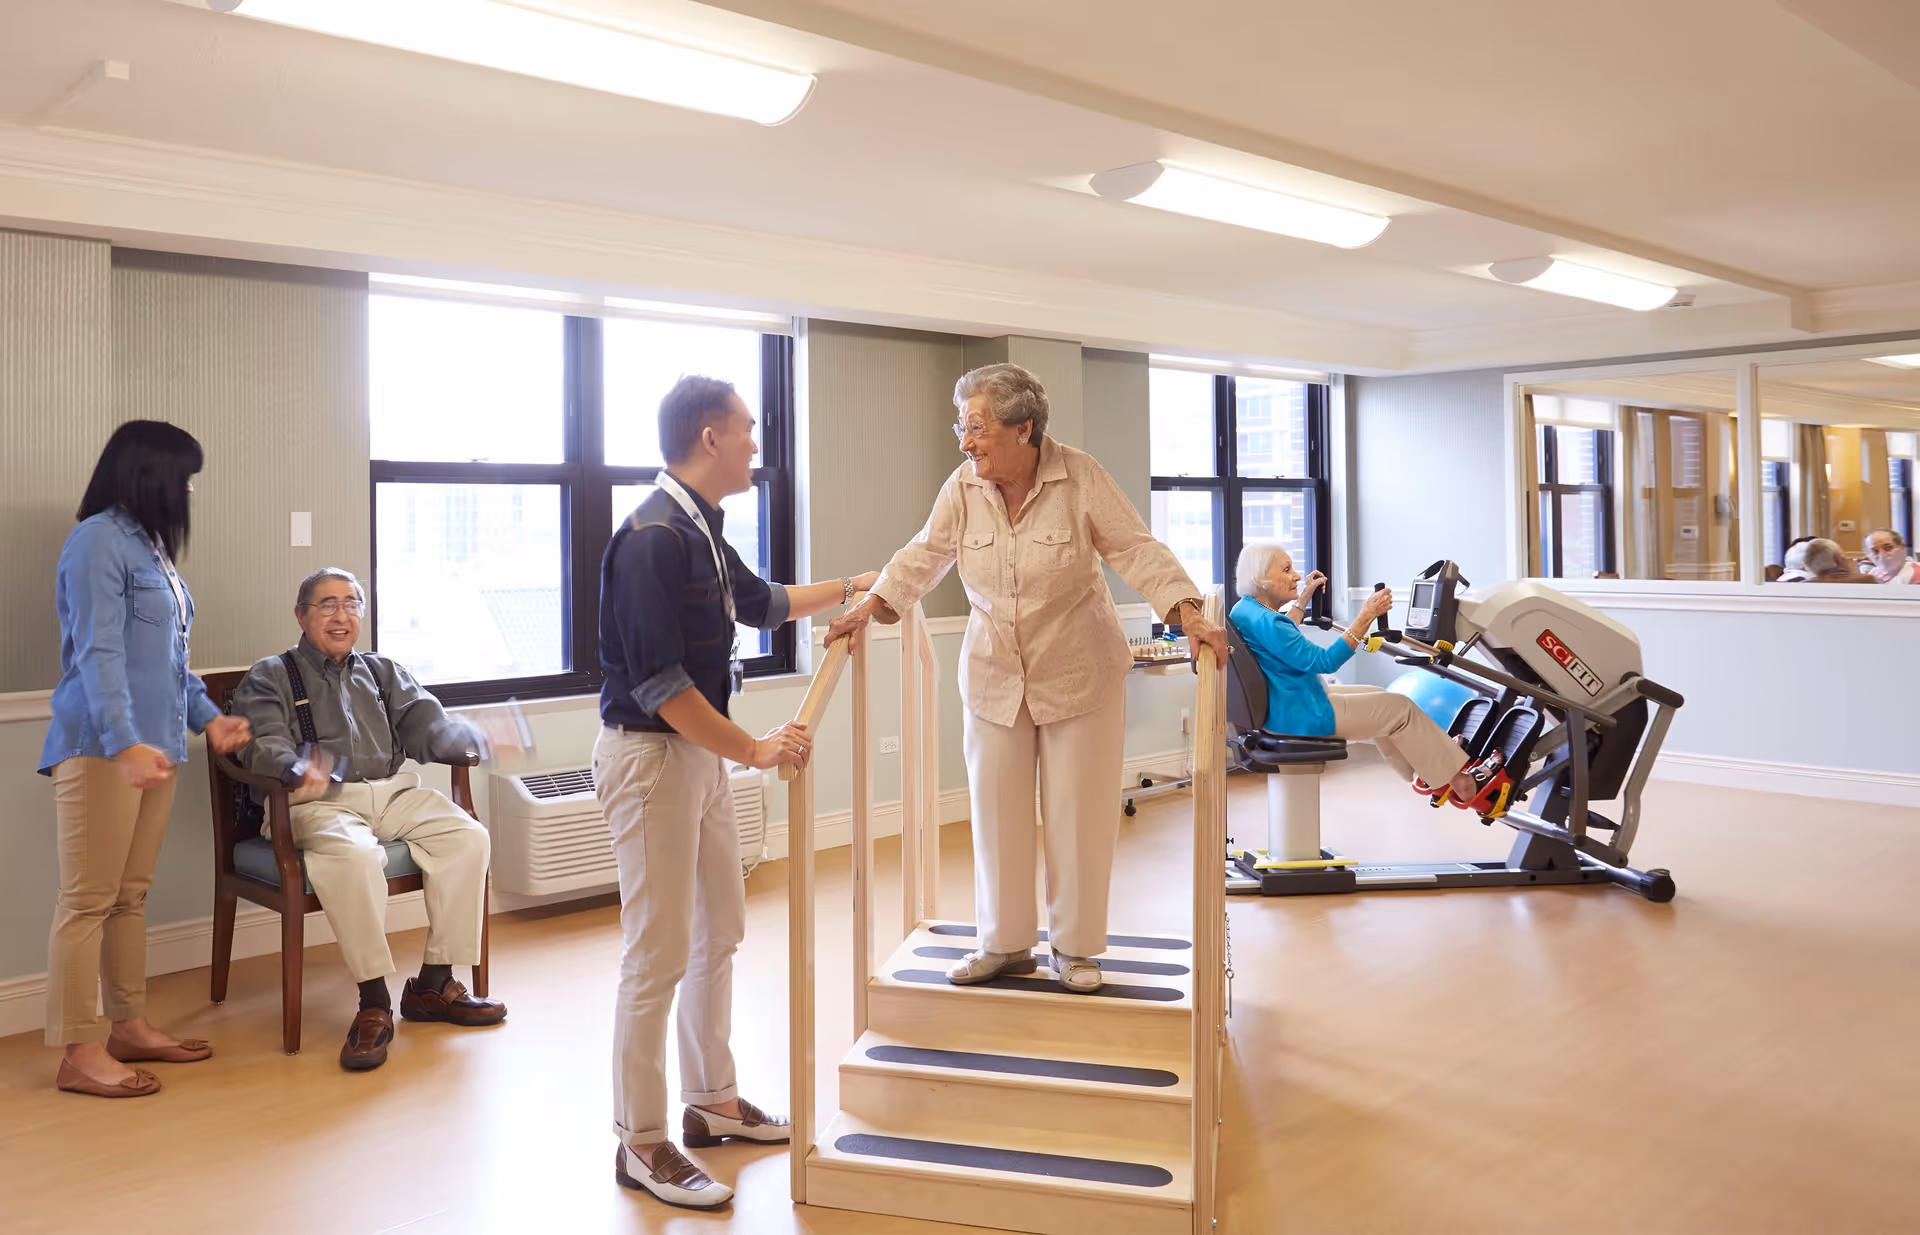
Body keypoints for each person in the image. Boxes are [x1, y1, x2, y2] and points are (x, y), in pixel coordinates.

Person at [826, 363, 1228, 998]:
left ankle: (1074, 948)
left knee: (1079, 816)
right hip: (993, 678)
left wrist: (1189, 614)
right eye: (962, 426)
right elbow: (923, 556)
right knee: (995, 814)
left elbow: (1135, 549)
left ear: (1025, 428)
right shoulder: (962, 489)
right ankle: (1005, 944)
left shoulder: (1079, 477)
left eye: (977, 426)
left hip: (1079, 673)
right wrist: (869, 608)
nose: (965, 441)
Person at [598, 375, 877, 1210]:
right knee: (656, 951)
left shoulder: (699, 526)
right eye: (748, 431)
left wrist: (856, 587)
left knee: (718, 927)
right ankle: (641, 1140)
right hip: (654, 759)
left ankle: (711, 1099)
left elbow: (759, 605)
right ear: (710, 439)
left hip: (700, 756)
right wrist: (754, 749)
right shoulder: (651, 537)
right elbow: (662, 685)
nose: (758, 444)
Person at [40, 420, 252, 1099]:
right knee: (88, 901)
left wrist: (209, 718)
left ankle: (128, 1024)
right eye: (185, 474)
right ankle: (79, 1048)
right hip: (105, 746)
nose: (190, 487)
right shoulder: (97, 539)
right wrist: (124, 739)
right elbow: (97, 653)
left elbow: (171, 663)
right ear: (149, 472)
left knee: (129, 896)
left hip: (153, 746)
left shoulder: (153, 551)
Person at [229, 567, 505, 1073]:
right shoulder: (271, 674)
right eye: (327, 605)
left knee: (467, 837)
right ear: (301, 616)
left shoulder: (382, 672)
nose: (341, 616)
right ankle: (374, 1000)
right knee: (355, 858)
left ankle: (433, 985)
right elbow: (259, 743)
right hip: (318, 804)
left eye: (351, 604)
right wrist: (294, 767)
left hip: (392, 794)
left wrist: (471, 737)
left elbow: (431, 728)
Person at [1228, 543, 1505, 810]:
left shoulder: (1245, 610)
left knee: (1382, 696)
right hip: (1301, 714)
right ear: (1262, 579)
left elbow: (1278, 637)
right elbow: (1324, 661)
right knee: (1401, 709)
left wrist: (1303, 599)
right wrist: (1366, 616)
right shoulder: (1272, 621)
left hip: (1286, 705)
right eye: (1287, 570)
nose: (1297, 575)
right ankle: (1460, 782)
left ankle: (1431, 768)